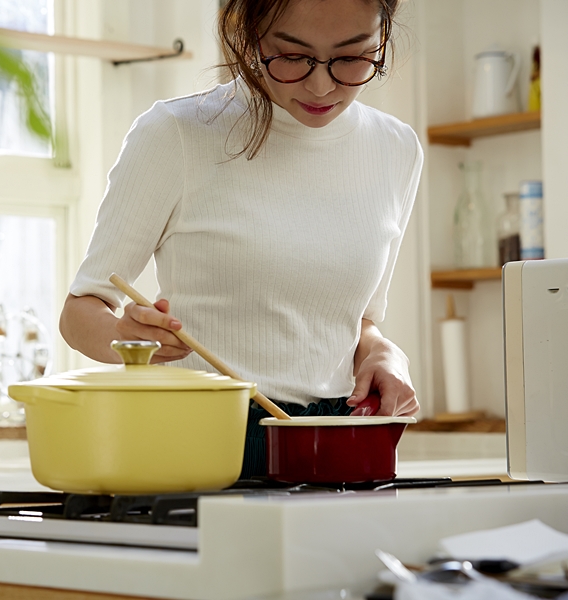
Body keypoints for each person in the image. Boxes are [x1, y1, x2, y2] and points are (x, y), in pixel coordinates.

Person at [59, 0, 423, 478]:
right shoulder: (178, 134)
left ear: (381, 40)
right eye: (292, 56)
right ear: (250, 34)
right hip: (199, 437)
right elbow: (80, 312)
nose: (322, 84)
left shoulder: (395, 149)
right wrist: (124, 338)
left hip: (335, 438)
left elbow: (361, 323)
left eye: (352, 57)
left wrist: (382, 352)